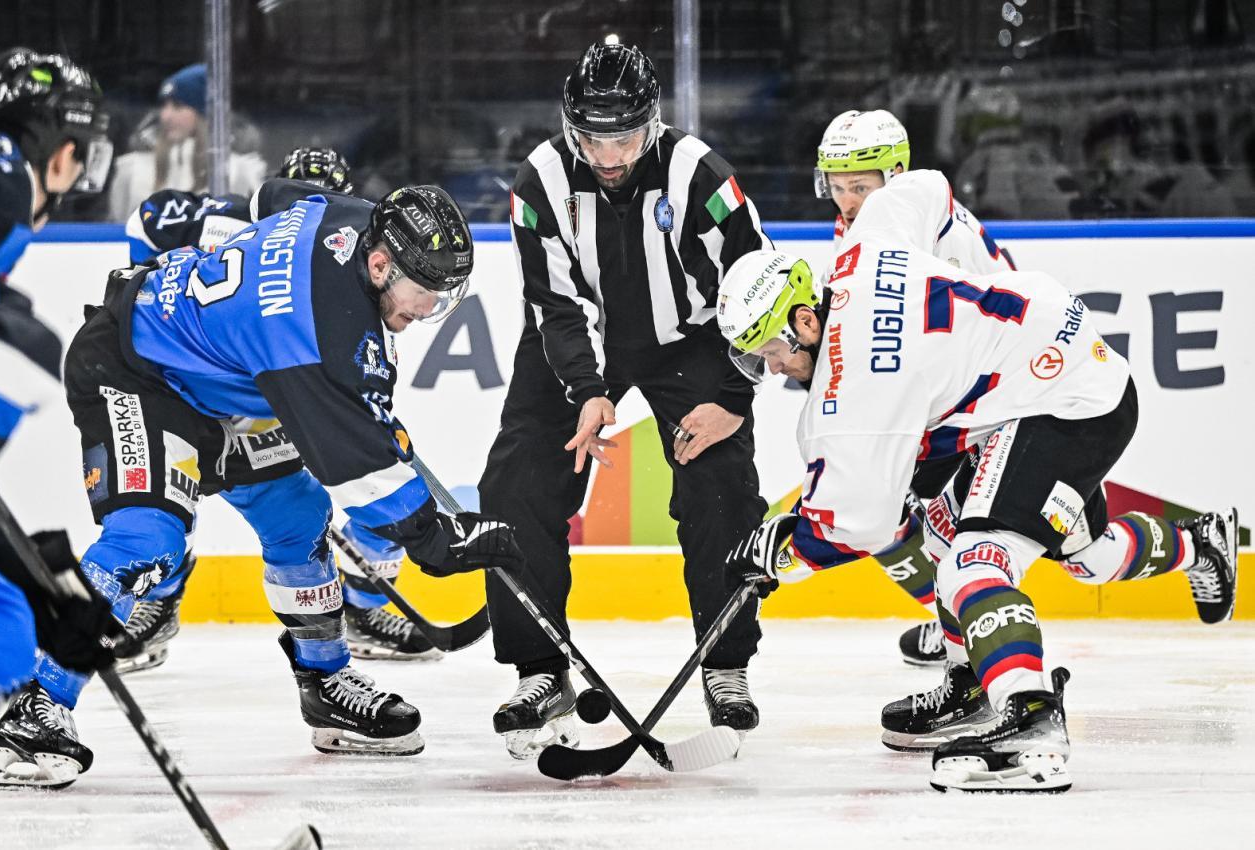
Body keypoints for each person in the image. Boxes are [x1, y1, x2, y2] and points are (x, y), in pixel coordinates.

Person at [0, 176, 524, 787]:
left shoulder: (352, 218)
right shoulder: (321, 334)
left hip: (227, 382)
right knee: (147, 540)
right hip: (138, 369)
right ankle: (35, 707)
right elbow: (360, 472)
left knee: (298, 517)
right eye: (425, 293)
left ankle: (324, 681)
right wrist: (438, 540)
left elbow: (271, 197)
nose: (428, 311)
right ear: (379, 266)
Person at [716, 169, 1238, 792]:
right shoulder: (862, 250)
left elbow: (862, 524)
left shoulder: (850, 395)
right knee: (1044, 550)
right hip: (1035, 374)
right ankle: (1193, 548)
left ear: (805, 321)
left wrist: (781, 553)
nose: (774, 369)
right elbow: (924, 188)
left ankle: (1031, 719)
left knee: (975, 563)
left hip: (1067, 401)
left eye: (770, 351)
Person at [479, 41, 771, 759]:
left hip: (692, 342)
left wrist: (734, 397)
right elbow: (554, 303)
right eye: (593, 139)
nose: (609, 157)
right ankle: (539, 668)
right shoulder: (539, 182)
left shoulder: (701, 175)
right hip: (576, 341)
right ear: (570, 127)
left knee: (720, 483)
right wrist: (587, 389)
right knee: (515, 483)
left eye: (626, 138)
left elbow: (758, 287)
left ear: (652, 123)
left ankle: (725, 661)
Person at [117, 147, 437, 670]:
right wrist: (145, 276)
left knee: (369, 472)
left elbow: (147, 219)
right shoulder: (233, 222)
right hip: (203, 383)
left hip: (272, 393)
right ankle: (158, 602)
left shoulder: (351, 283)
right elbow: (149, 221)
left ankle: (361, 608)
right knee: (169, 497)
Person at [813, 108, 1017, 668]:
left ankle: (1196, 545)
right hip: (965, 399)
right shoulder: (872, 222)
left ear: (896, 177)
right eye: (837, 186)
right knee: (890, 510)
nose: (846, 201)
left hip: (1004, 399)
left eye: (860, 186)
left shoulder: (923, 236)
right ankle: (954, 622)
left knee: (1083, 552)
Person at [0, 47, 120, 787]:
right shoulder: (1, 179)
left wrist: (28, 576)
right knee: (27, 350)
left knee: (0, 609)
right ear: (62, 152)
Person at [107, 63, 266, 222]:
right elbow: (116, 226)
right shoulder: (132, 169)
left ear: (203, 114)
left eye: (178, 106)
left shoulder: (237, 172)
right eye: (164, 106)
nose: (166, 116)